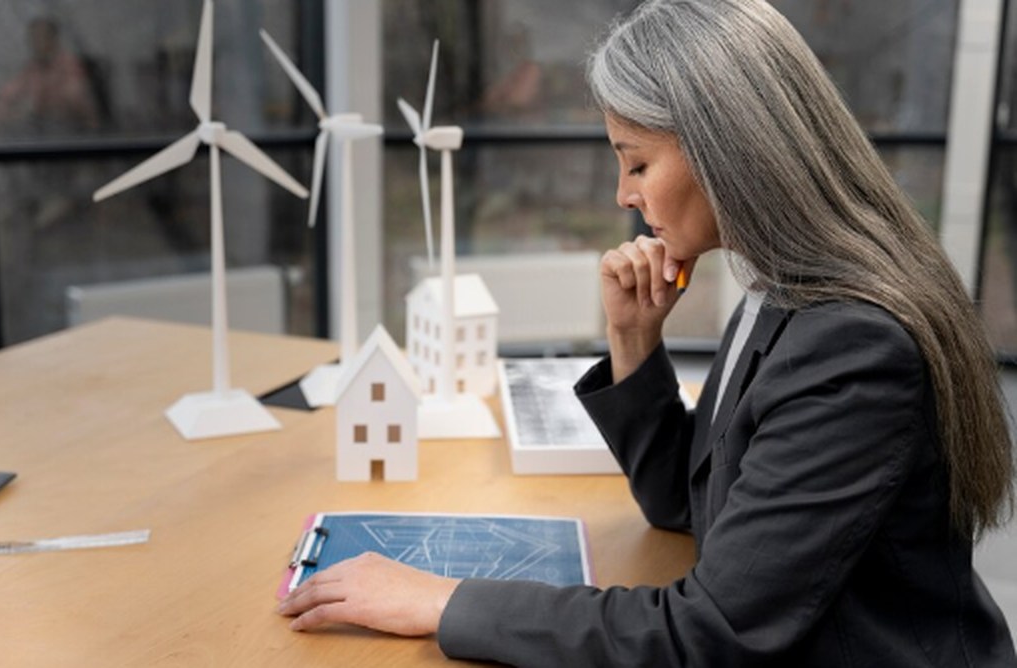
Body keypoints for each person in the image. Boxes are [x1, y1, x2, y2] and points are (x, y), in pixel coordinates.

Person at [277, 0, 1017, 664]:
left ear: (727, 147)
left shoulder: (851, 343)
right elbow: (689, 508)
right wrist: (634, 342)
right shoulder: (778, 289)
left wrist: (442, 601)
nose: (622, 194)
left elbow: (711, 632)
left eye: (636, 163)